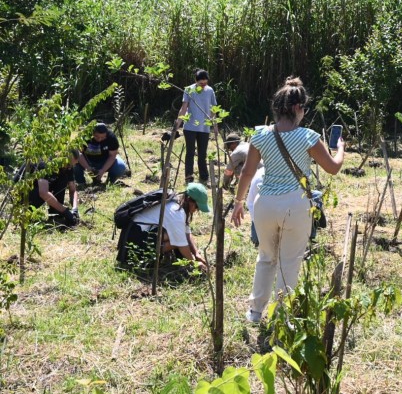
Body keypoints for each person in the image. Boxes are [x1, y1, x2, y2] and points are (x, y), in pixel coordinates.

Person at [231, 77, 345, 323]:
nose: (304, 113)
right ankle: (282, 315)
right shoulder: (309, 137)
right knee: (289, 261)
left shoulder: (260, 135)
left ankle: (255, 312)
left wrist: (238, 202)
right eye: (304, 108)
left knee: (266, 257)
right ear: (296, 108)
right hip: (295, 204)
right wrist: (341, 149)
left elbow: (247, 173)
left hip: (265, 205)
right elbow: (333, 168)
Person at [116, 183, 210, 272]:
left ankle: (153, 254)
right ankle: (145, 258)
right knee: (175, 240)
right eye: (197, 207)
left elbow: (187, 232)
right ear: (190, 201)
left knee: (177, 236)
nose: (196, 210)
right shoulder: (176, 212)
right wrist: (194, 263)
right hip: (135, 236)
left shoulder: (178, 202)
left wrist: (196, 253)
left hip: (139, 232)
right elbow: (182, 244)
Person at [16, 151, 80, 227]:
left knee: (63, 177)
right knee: (43, 191)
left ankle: (56, 214)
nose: (70, 167)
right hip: (22, 197)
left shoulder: (67, 166)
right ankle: (25, 215)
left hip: (39, 189)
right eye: (68, 164)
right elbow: (43, 193)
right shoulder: (44, 162)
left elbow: (73, 190)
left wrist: (75, 208)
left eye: (72, 165)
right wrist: (65, 211)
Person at [176, 69, 217, 186]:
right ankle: (189, 176)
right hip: (189, 127)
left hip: (204, 128)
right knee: (190, 152)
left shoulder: (210, 91)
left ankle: (204, 176)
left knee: (202, 153)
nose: (203, 85)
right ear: (196, 81)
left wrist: (215, 126)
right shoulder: (189, 90)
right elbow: (184, 108)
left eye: (205, 83)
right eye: (201, 83)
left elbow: (213, 110)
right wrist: (178, 123)